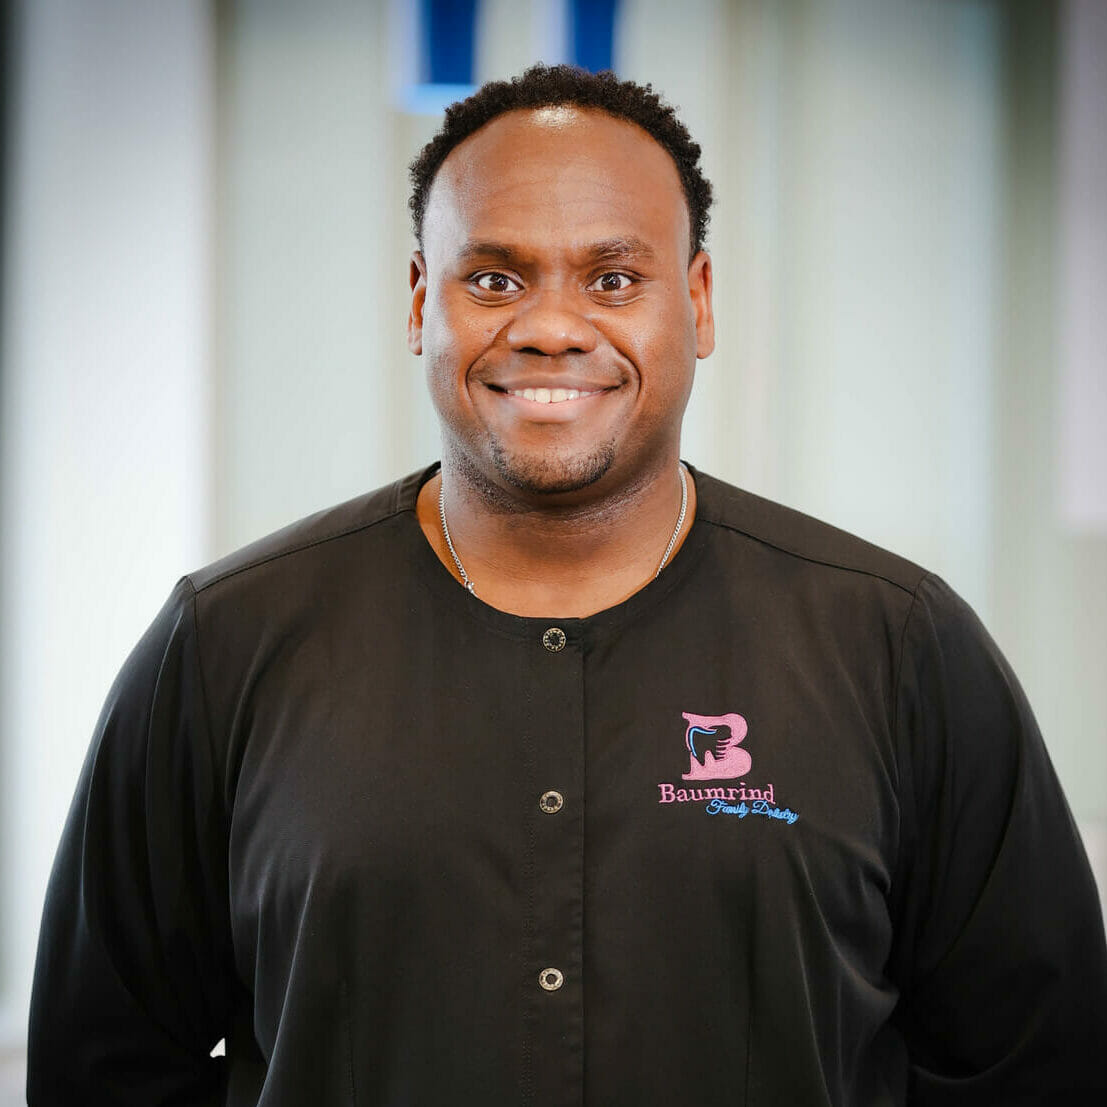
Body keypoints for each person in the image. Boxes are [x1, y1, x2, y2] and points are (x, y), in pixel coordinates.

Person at [27, 64, 1107, 1105]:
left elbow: (1034, 1067)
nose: (549, 327)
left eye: (613, 278)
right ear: (420, 302)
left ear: (698, 301)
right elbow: (107, 1067)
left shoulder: (899, 647)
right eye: (493, 277)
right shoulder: (224, 645)